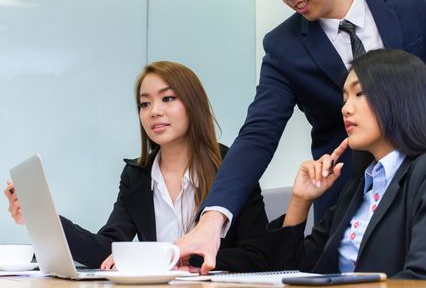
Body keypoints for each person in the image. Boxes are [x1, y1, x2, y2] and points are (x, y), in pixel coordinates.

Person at [176, 0, 426, 273]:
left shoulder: (410, 5)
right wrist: (213, 219)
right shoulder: (283, 46)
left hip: (423, 190)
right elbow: (258, 134)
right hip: (349, 196)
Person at [4, 61, 269, 272]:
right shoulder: (137, 175)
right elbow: (107, 249)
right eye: (145, 103)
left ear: (193, 105)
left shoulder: (233, 167)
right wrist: (44, 218)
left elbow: (257, 256)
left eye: (167, 99)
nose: (154, 111)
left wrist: (175, 259)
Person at [267, 48, 426, 280]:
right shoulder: (362, 183)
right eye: (344, 98)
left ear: (401, 97)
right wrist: (301, 200)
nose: (345, 108)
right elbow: (290, 273)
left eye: (360, 93)